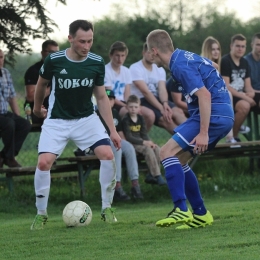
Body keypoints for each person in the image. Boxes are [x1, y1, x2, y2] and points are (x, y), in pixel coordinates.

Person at [30, 19, 121, 230]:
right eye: (82, 41)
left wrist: (113, 130)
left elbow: (101, 97)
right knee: (44, 163)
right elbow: (41, 84)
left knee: (107, 154)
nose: (86, 46)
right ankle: (41, 214)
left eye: (90, 41)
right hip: (57, 120)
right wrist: (36, 109)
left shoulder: (96, 62)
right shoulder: (54, 60)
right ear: (70, 39)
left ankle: (107, 209)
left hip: (86, 119)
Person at [146, 29, 234, 229]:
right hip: (223, 113)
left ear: (154, 51)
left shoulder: (178, 65)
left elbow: (204, 95)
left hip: (214, 115)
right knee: (179, 160)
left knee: (166, 152)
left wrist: (203, 133)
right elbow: (211, 65)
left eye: (149, 52)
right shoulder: (185, 56)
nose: (150, 56)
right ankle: (201, 214)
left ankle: (180, 209)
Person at [130, 42, 187, 135]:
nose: (151, 56)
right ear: (143, 53)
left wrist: (165, 103)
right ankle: (186, 140)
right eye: (148, 52)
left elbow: (162, 89)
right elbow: (145, 92)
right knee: (167, 120)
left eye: (153, 53)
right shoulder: (135, 68)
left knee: (178, 111)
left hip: (156, 98)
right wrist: (161, 108)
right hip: (141, 100)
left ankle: (193, 134)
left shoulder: (159, 69)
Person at [96, 89, 143, 200]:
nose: (109, 101)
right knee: (117, 149)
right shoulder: (96, 114)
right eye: (106, 99)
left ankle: (135, 184)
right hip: (102, 143)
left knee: (129, 148)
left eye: (111, 99)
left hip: (115, 140)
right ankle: (116, 185)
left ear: (114, 101)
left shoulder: (115, 113)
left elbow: (120, 134)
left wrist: (124, 143)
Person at [104, 41, 155, 131]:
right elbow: (110, 95)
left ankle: (141, 138)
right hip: (112, 104)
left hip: (124, 103)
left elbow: (127, 94)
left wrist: (133, 105)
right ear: (111, 56)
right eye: (117, 55)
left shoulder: (126, 71)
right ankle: (130, 139)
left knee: (150, 114)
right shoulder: (105, 70)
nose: (120, 59)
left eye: (123, 55)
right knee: (129, 112)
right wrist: (127, 106)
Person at [122, 95, 167, 186]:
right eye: (131, 107)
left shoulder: (141, 118)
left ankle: (152, 174)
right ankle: (157, 175)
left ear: (139, 108)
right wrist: (144, 142)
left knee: (156, 148)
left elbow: (144, 133)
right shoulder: (125, 120)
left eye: (135, 107)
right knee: (148, 149)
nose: (133, 109)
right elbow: (129, 137)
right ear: (127, 107)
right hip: (132, 143)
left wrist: (149, 142)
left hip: (142, 141)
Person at [201, 36, 238, 145]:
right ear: (207, 50)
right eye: (213, 49)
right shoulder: (203, 64)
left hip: (214, 99)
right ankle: (230, 134)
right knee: (228, 94)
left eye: (218, 49)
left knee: (228, 94)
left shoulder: (216, 66)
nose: (216, 52)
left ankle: (231, 131)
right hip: (203, 100)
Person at [221, 34, 256, 142]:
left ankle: (235, 134)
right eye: (237, 46)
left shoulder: (245, 62)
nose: (240, 49)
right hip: (229, 96)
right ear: (231, 46)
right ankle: (233, 137)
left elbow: (248, 85)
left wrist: (251, 94)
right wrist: (246, 98)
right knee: (245, 105)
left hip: (241, 94)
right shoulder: (225, 61)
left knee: (248, 102)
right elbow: (226, 86)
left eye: (243, 46)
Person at [0, 49, 31, 168]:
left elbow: (12, 97)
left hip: (3, 112)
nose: (0, 60)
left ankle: (5, 156)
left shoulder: (6, 73)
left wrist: (17, 116)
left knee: (25, 124)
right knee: (9, 124)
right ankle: (10, 158)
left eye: (1, 57)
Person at [24, 40, 59, 125]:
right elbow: (30, 97)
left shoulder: (61, 70)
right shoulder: (34, 71)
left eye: (57, 52)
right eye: (51, 52)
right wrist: (53, 86)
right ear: (42, 52)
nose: (54, 55)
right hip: (37, 111)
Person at [244, 33, 260, 97]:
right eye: (258, 45)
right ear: (252, 45)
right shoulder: (245, 61)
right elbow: (245, 87)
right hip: (251, 93)